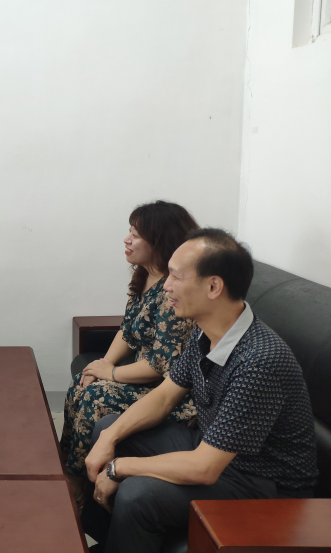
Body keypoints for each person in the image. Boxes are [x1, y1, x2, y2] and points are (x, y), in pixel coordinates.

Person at [82, 229, 318, 553]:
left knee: (137, 493)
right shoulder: (205, 332)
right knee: (109, 428)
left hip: (262, 484)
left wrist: (118, 468)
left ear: (213, 287)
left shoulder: (260, 361)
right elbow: (164, 397)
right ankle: (110, 542)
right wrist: (109, 439)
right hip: (215, 449)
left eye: (176, 276)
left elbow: (204, 468)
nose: (166, 285)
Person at [60, 201, 199, 506]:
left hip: (170, 390)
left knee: (95, 397)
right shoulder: (144, 275)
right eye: (129, 232)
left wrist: (110, 373)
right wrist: (104, 362)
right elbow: (127, 329)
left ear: (159, 241)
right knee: (79, 384)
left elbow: (160, 365)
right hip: (144, 377)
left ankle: (79, 485)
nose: (127, 240)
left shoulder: (172, 294)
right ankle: (66, 469)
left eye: (135, 235)